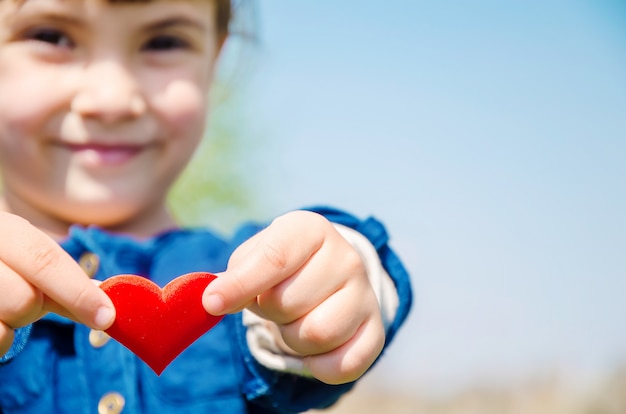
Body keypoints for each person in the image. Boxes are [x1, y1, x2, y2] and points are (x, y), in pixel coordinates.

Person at [0, 0, 412, 412]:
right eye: (49, 36)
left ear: (214, 60)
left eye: (164, 41)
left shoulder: (247, 290)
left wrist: (332, 281)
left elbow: (337, 272)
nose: (112, 99)